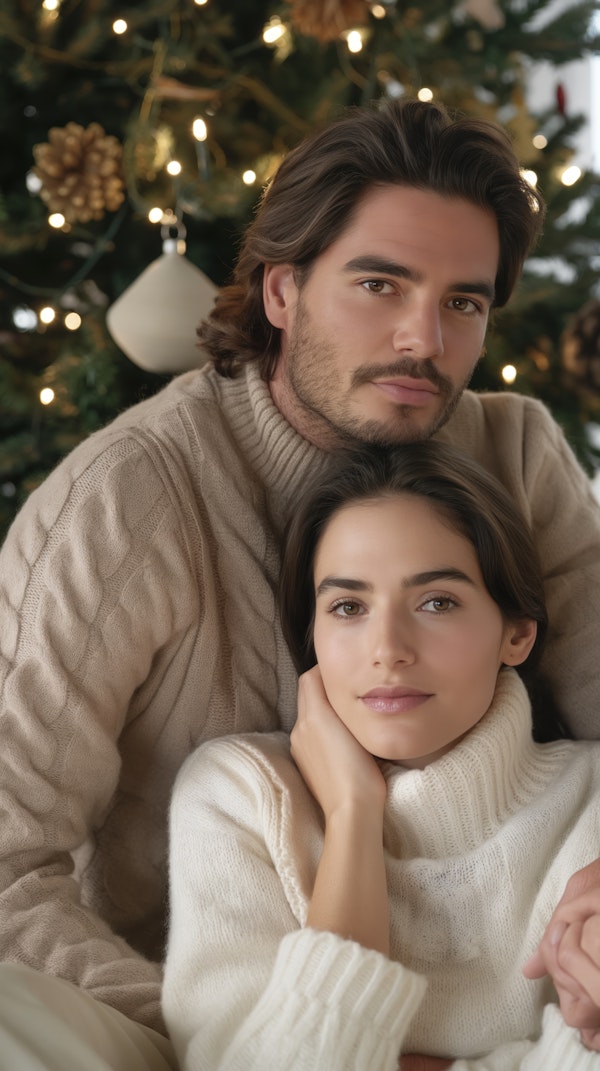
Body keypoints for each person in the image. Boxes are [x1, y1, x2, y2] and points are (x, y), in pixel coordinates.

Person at [1, 95, 600, 1069]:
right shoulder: (127, 506)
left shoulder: (516, 452)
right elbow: (4, 859)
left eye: (464, 301)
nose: (425, 340)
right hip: (168, 997)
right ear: (281, 294)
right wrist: (232, 1031)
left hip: (501, 1003)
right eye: (380, 284)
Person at [162, 441, 600, 1071]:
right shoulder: (239, 796)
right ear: (311, 634)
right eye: (348, 607)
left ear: (516, 632)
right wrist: (351, 814)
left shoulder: (591, 808)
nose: (387, 648)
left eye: (437, 602)